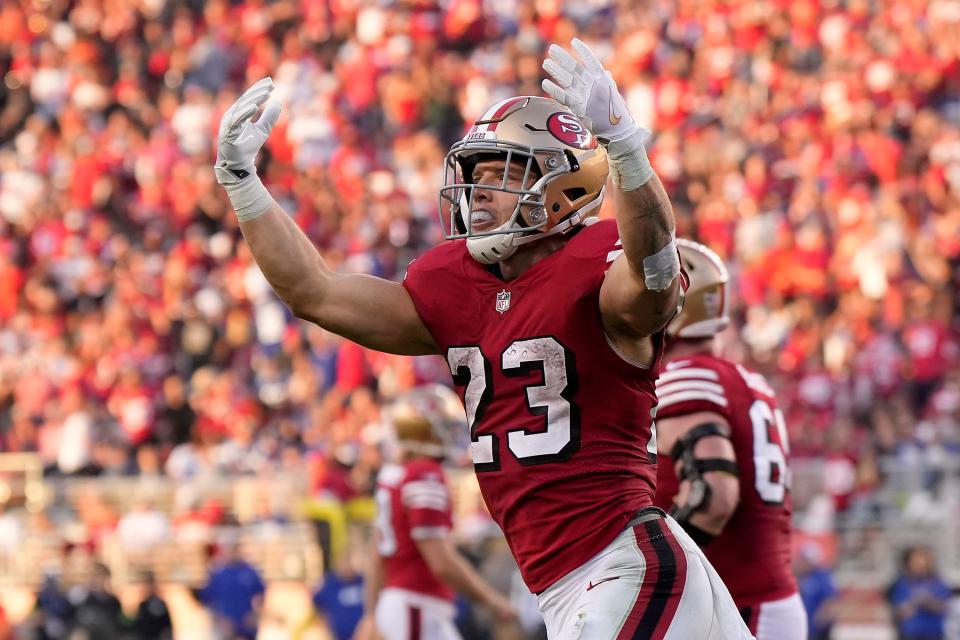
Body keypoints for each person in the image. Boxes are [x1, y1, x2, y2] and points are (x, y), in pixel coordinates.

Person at [215, 38, 751, 638]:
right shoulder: (456, 288)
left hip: (624, 562)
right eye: (478, 174)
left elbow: (652, 282)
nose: (481, 193)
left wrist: (626, 149)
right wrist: (242, 184)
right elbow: (314, 292)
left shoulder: (596, 265)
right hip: (570, 579)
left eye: (505, 174)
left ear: (564, 187)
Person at [652, 240, 806, 639]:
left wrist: (653, 578)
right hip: (762, 598)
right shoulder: (746, 380)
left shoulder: (688, 377)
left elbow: (713, 496)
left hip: (735, 605)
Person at [354, 385, 516, 640]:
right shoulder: (423, 475)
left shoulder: (394, 475)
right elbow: (441, 562)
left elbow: (377, 556)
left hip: (401, 605)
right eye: (442, 426)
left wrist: (372, 613)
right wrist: (492, 601)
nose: (449, 433)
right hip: (417, 605)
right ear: (422, 430)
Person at [887, 546, 950, 640]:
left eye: (923, 559)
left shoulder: (937, 582)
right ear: (908, 562)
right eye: (916, 560)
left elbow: (944, 608)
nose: (920, 563)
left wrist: (928, 601)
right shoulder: (901, 583)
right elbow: (899, 612)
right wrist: (915, 602)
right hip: (910, 635)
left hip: (934, 634)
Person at [795, 543, 838, 640]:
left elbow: (830, 601)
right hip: (807, 628)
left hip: (817, 631)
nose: (801, 562)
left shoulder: (822, 577)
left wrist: (819, 623)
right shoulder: (803, 577)